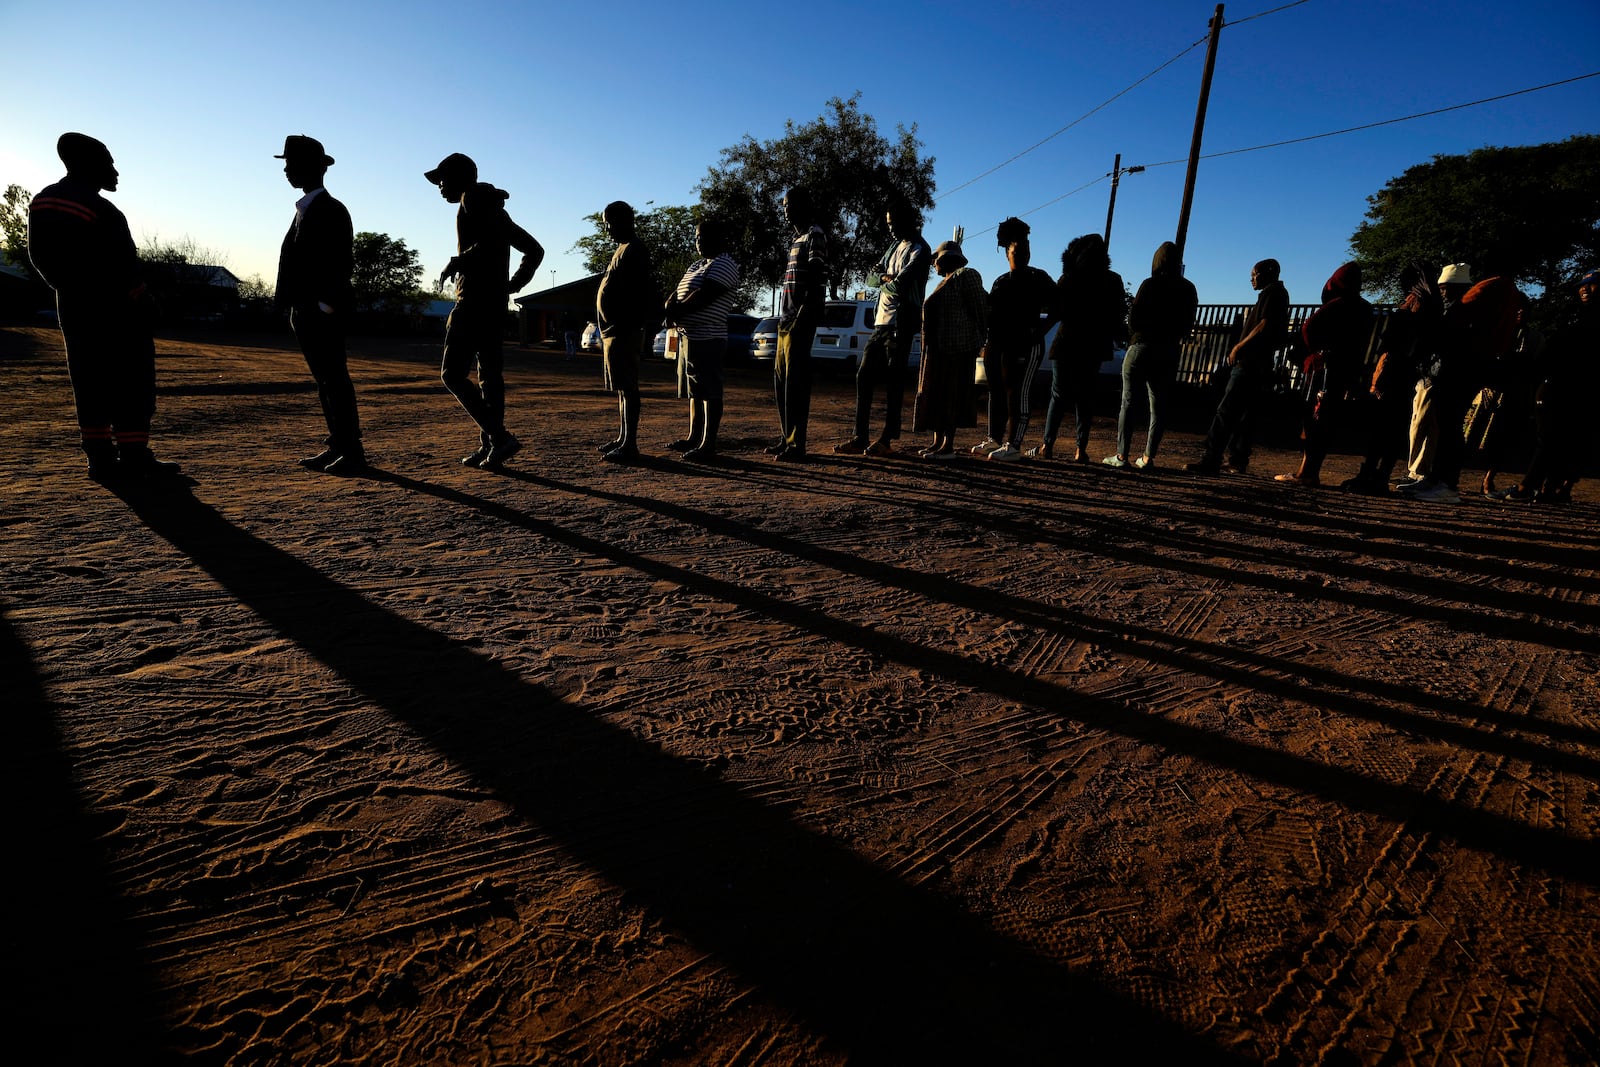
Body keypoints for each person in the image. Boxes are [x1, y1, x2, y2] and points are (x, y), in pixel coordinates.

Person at [27, 133, 178, 482]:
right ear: (87, 164)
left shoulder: (43, 201)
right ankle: (135, 456)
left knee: (89, 382)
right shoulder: (100, 209)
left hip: (75, 310)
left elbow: (43, 260)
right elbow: (121, 267)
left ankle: (100, 459)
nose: (115, 171)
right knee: (132, 383)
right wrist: (143, 300)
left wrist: (73, 290)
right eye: (108, 162)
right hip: (119, 312)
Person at [425, 152, 543, 469]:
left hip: (474, 304)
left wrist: (459, 261)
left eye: (442, 179)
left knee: (452, 374)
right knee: (489, 377)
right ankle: (493, 445)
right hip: (493, 305)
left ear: (462, 177)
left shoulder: (472, 198)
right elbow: (534, 250)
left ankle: (499, 438)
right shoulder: (492, 207)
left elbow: (492, 243)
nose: (439, 186)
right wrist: (511, 286)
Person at [273, 135, 363, 475]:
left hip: (320, 311)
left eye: (291, 164)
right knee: (326, 381)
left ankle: (351, 451)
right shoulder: (307, 209)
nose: (286, 170)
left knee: (335, 380)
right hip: (306, 309)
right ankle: (339, 445)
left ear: (313, 168)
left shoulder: (330, 209)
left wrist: (324, 306)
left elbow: (340, 262)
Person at [834, 198, 931, 457]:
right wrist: (885, 278)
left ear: (907, 220)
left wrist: (884, 278)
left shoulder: (920, 249)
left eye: (894, 223)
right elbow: (870, 278)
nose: (890, 228)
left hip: (902, 322)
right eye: (888, 224)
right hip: (881, 322)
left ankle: (887, 438)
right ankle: (859, 436)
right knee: (864, 376)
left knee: (893, 381)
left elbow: (900, 285)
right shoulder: (893, 247)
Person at [1497, 268, 1599, 503]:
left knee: (1556, 440)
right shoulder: (1576, 315)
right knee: (1558, 439)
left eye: (1592, 284)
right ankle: (1548, 489)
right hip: (1562, 385)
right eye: (1581, 285)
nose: (1584, 288)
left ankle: (1528, 488)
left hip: (1575, 388)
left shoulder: (1588, 321)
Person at [1340, 264, 1439, 494]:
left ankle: (1369, 476)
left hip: (1395, 373)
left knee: (1381, 429)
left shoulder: (1414, 304)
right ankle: (1380, 476)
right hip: (1411, 376)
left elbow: (1392, 347)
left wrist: (1378, 380)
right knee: (1394, 430)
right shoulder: (1432, 305)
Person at [1185, 259, 1288, 475]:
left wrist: (1239, 347)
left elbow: (1264, 324)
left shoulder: (1273, 294)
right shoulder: (1275, 294)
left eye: (1255, 274)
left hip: (1249, 362)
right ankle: (1237, 459)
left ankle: (1211, 459)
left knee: (1226, 411)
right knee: (1246, 414)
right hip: (1259, 363)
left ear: (1267, 273)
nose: (1251, 278)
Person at [1275, 262, 1373, 486]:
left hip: (1325, 370)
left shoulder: (1338, 304)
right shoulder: (1365, 308)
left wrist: (1316, 350)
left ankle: (1306, 473)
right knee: (1326, 422)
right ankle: (1309, 470)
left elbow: (1308, 328)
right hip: (1346, 370)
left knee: (1315, 420)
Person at [1032, 233, 1126, 462]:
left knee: (1058, 395)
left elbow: (1055, 313)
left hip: (1066, 343)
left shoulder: (1069, 278)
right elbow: (1118, 315)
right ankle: (1080, 449)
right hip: (1094, 344)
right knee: (1085, 397)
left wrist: (1037, 334)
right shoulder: (1113, 281)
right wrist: (1120, 338)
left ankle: (1047, 445)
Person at [971, 217, 1055, 460]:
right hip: (998, 344)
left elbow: (1060, 306)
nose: (1022, 253)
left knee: (1017, 393)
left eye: (1026, 249)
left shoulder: (1038, 278)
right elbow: (990, 311)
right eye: (1017, 249)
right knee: (995, 391)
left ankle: (1014, 445)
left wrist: (1039, 332)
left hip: (1024, 346)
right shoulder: (1000, 281)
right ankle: (994, 439)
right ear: (1007, 253)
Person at [1108, 241, 1197, 469]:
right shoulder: (1188, 289)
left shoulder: (1149, 285)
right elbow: (1187, 326)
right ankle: (1147, 457)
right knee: (1158, 406)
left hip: (1142, 346)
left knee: (1128, 402)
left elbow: (1134, 319)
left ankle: (1121, 455)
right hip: (1167, 350)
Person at [664, 218, 740, 462]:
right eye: (697, 237)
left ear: (720, 239)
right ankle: (693, 436)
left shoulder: (724, 264)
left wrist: (675, 311)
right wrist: (670, 307)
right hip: (688, 335)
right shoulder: (697, 265)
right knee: (694, 390)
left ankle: (708, 443)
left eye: (704, 237)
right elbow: (678, 293)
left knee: (709, 390)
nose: (699, 241)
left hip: (708, 336)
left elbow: (704, 295)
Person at [594, 201, 656, 463]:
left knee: (628, 387)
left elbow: (639, 293)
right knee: (621, 387)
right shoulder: (622, 249)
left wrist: (626, 322)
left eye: (609, 223)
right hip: (613, 330)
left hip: (624, 329)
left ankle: (630, 443)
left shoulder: (635, 250)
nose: (606, 229)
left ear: (623, 220)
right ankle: (622, 437)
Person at [913, 241, 986, 459]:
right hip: (937, 350)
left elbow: (979, 309)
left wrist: (979, 340)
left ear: (947, 258)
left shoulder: (966, 275)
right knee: (936, 394)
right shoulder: (943, 283)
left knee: (951, 396)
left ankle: (948, 445)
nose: (933, 263)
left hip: (957, 349)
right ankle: (937, 442)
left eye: (936, 258)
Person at [770, 186, 827, 461]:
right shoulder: (796, 239)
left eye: (789, 204)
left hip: (800, 318)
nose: (786, 209)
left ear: (804, 205)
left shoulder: (815, 234)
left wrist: (805, 312)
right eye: (783, 205)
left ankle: (797, 444)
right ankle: (786, 438)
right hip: (785, 318)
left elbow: (817, 275)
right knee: (781, 381)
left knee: (796, 383)